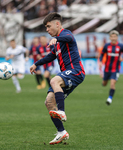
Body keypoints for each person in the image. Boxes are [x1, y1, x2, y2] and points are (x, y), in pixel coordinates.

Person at [30, 12, 85, 145]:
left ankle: (62, 111)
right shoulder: (56, 44)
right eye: (46, 28)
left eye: (49, 26)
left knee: (54, 80)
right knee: (49, 102)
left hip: (76, 71)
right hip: (67, 73)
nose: (47, 30)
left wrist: (57, 39)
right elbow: (51, 56)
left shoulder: (67, 34)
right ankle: (61, 132)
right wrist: (36, 64)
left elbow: (66, 37)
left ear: (57, 24)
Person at [99, 30, 123, 105]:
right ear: (110, 37)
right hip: (107, 69)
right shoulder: (107, 46)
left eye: (115, 36)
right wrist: (101, 62)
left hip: (115, 69)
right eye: (112, 36)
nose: (113, 38)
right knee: (104, 84)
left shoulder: (121, 46)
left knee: (112, 84)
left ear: (117, 37)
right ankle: (104, 81)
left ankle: (109, 99)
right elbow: (102, 54)